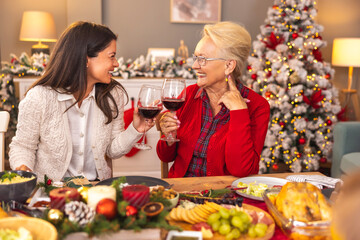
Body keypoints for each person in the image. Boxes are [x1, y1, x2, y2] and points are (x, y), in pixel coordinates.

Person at [9, 21, 154, 181]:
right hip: (51, 192)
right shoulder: (40, 96)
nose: (116, 63)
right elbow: (23, 146)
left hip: (96, 190)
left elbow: (113, 150)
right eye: (111, 56)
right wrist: (24, 170)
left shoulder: (113, 94)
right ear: (85, 59)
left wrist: (136, 129)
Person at [156, 21, 270, 178]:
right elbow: (165, 157)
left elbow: (242, 170)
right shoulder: (188, 95)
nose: (194, 65)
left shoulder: (258, 106)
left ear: (229, 65)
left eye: (202, 59)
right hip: (181, 193)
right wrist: (169, 138)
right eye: (195, 58)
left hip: (224, 198)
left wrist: (239, 111)